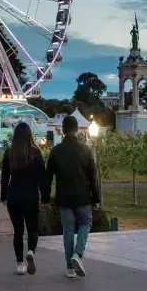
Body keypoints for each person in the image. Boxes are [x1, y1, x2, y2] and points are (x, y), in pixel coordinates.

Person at [46, 115, 99, 278]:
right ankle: (77, 254)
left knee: (68, 230)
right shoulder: (86, 149)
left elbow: (48, 177)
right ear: (77, 130)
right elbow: (92, 176)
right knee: (85, 224)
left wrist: (45, 199)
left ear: (63, 130)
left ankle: (70, 267)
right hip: (83, 196)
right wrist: (96, 197)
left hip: (64, 198)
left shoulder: (55, 151)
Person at [0, 122, 49, 275]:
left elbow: (4, 177)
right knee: (32, 229)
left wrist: (3, 196)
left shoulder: (9, 153)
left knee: (18, 231)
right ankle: (31, 252)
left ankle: (20, 264)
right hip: (30, 196)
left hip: (14, 196)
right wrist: (45, 198)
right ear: (29, 135)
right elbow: (43, 178)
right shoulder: (35, 153)